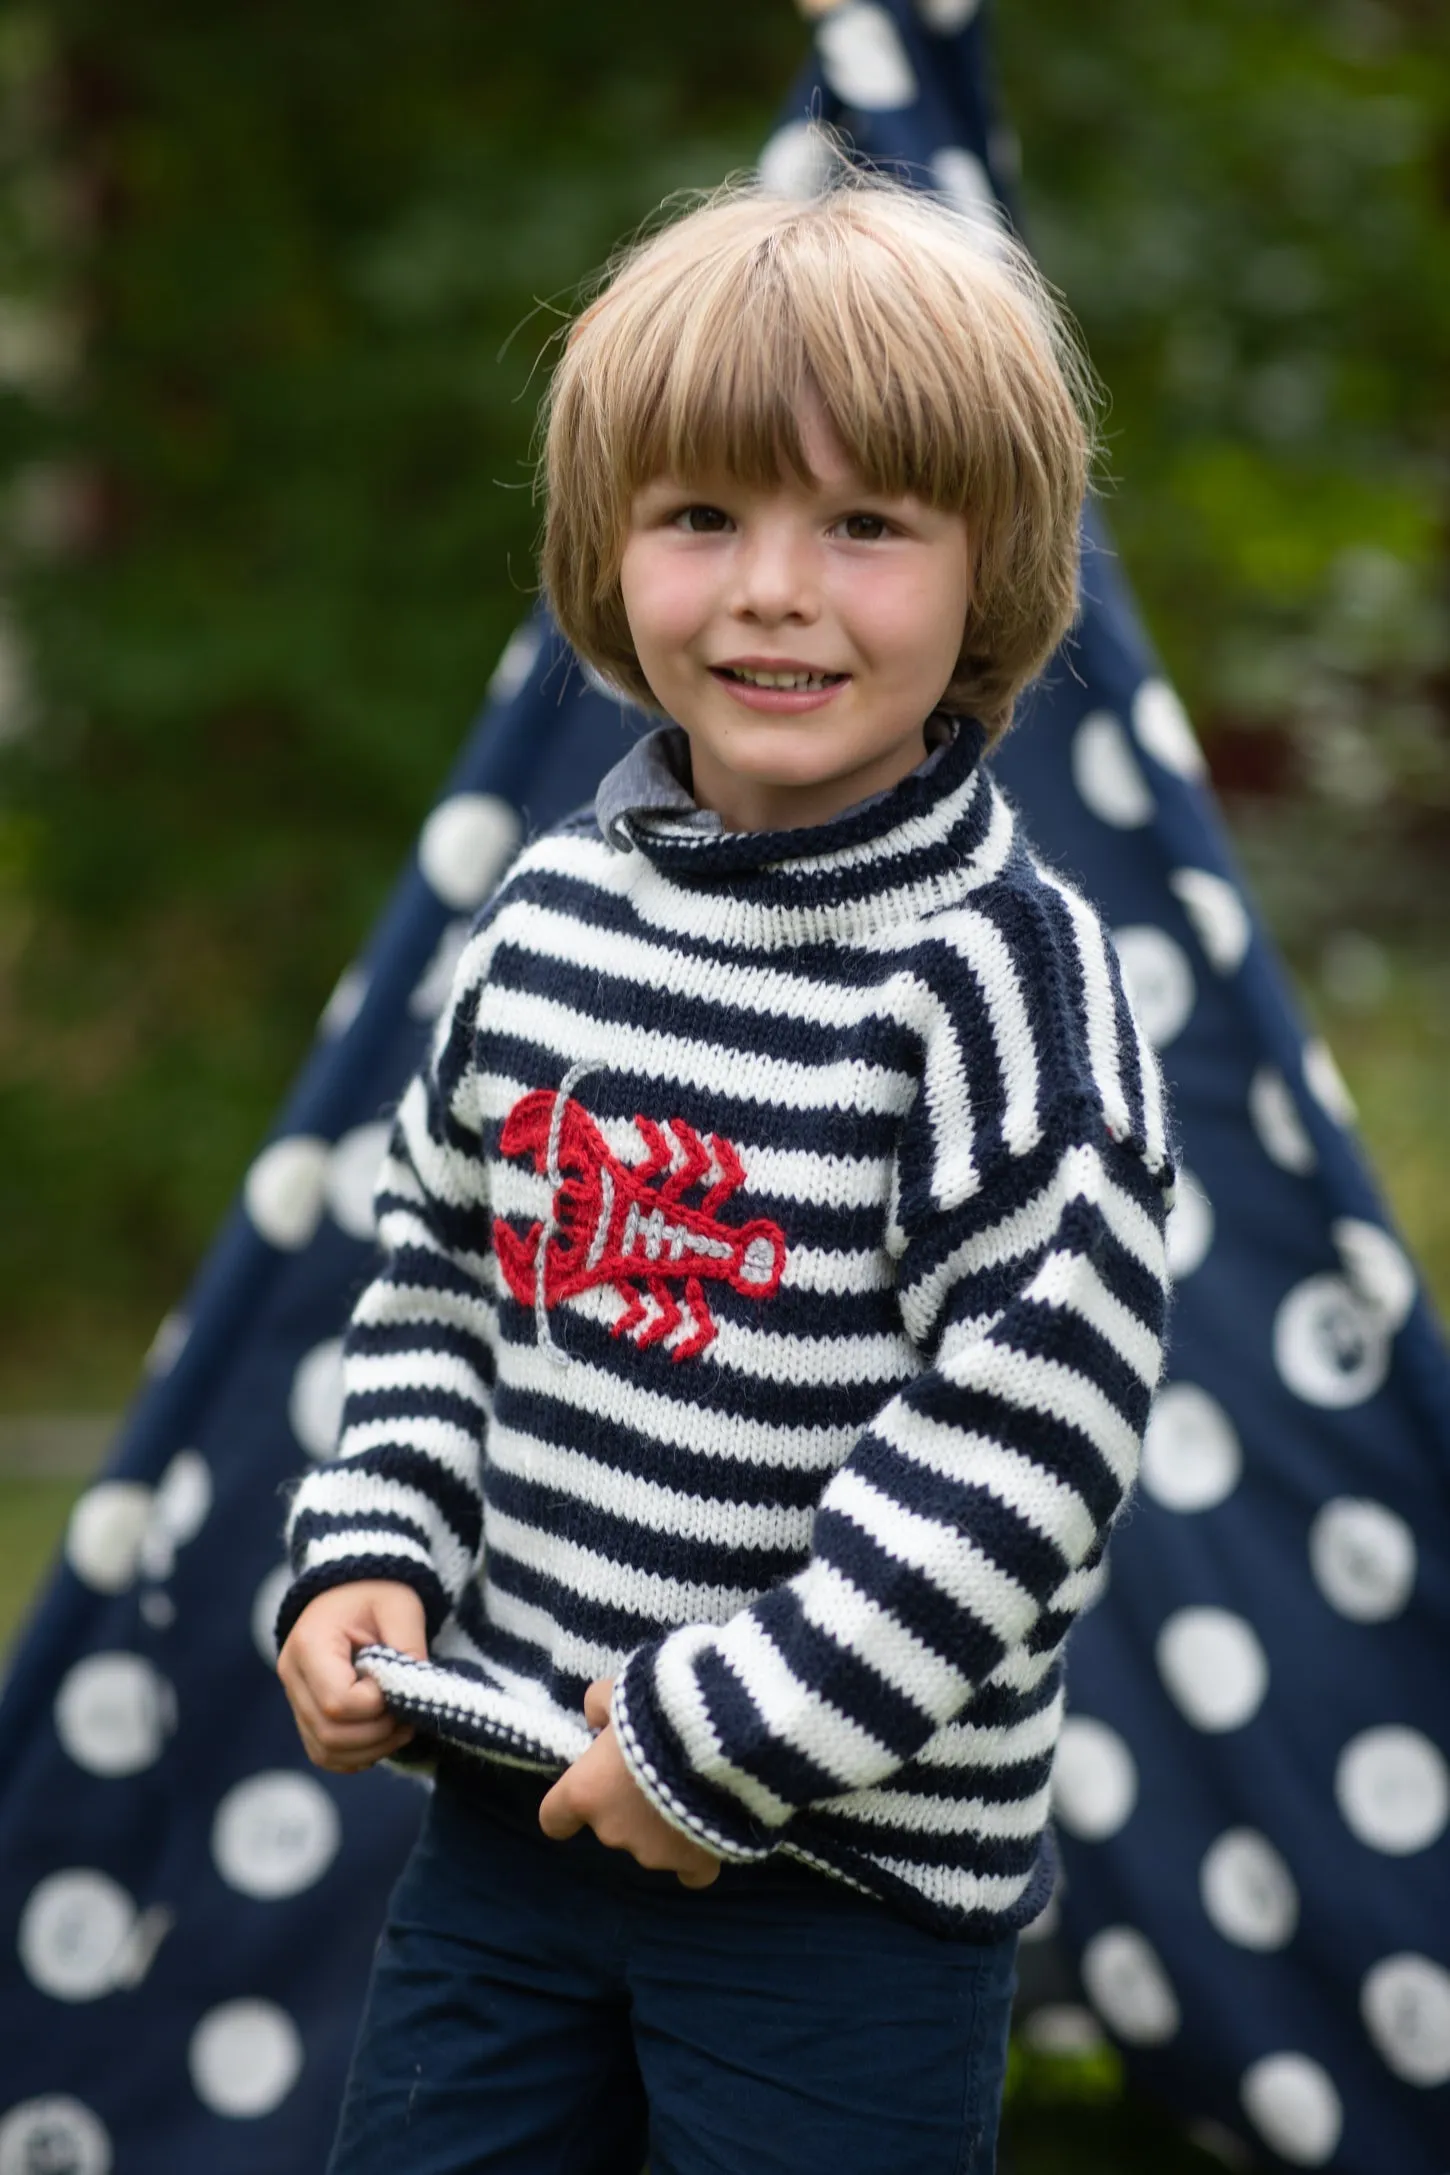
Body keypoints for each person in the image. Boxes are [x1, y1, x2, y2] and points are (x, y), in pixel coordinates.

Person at [276, 172, 1177, 2175]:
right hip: (511, 1829)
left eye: (862, 523)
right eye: (701, 515)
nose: (773, 587)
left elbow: (1021, 1449)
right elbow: (441, 1271)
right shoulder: (547, 922)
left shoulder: (1001, 983)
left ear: (986, 572)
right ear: (608, 556)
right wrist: (371, 1541)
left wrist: (722, 1741)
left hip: (835, 1891)